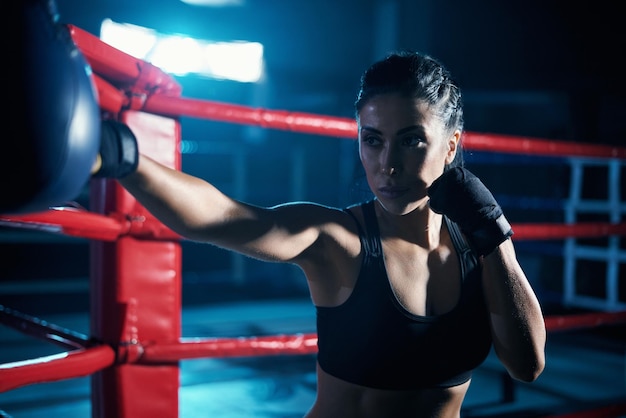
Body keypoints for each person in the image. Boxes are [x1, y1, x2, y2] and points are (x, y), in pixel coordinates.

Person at [94, 50, 546, 417]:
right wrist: (123, 156)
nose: (388, 164)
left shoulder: (478, 247)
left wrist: (496, 237)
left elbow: (528, 366)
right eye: (373, 140)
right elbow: (220, 217)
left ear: (450, 145)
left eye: (411, 140)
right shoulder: (337, 240)